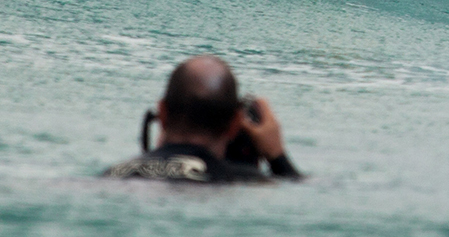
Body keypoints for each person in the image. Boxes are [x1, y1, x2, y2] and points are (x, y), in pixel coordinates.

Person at [102, 54, 301, 183]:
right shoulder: (244, 182)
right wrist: (278, 158)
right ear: (234, 124)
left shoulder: (112, 175)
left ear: (162, 113)